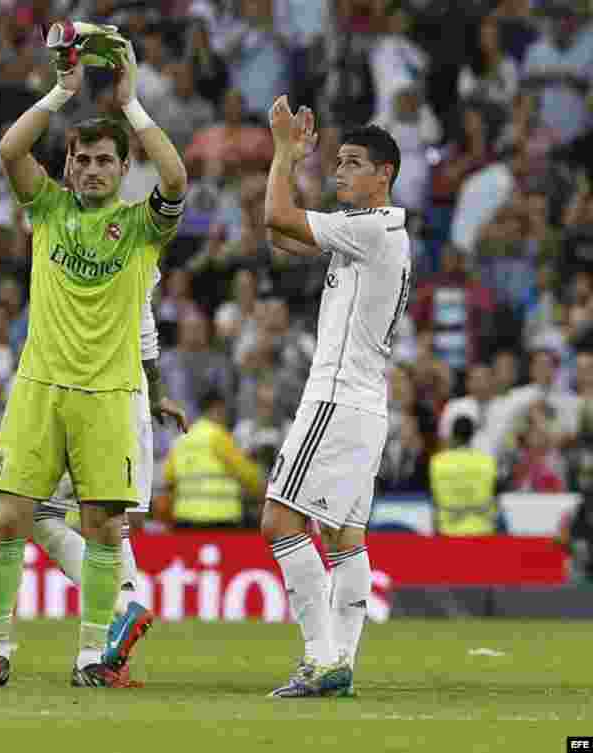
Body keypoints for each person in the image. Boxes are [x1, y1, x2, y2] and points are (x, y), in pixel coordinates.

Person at [0, 34, 187, 689]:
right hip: (39, 387)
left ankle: (91, 656)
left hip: (109, 394)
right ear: (69, 165)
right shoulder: (49, 208)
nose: (91, 169)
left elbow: (175, 178)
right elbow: (9, 149)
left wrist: (132, 105)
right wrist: (60, 92)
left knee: (101, 527)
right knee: (10, 518)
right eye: (82, 159)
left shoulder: (144, 227)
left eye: (103, 161)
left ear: (122, 170)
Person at [261, 97, 411, 698]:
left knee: (278, 519)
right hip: (365, 406)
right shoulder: (371, 236)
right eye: (338, 162)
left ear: (385, 175)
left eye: (353, 164)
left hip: (335, 398)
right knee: (346, 538)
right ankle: (340, 662)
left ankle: (321, 659)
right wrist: (292, 170)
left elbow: (277, 214)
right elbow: (280, 236)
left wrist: (280, 153)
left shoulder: (372, 229)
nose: (339, 172)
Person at [31, 249, 188, 677]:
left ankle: (122, 607)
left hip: (90, 393)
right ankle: (112, 636)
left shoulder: (71, 240)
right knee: (110, 526)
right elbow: (146, 324)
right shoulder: (137, 241)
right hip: (130, 395)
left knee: (39, 514)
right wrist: (156, 393)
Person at [164, 389, 262, 528]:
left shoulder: (182, 438)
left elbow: (168, 477)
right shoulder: (218, 436)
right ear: (217, 407)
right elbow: (245, 473)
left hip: (184, 519)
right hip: (220, 518)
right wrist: (262, 491)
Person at [429, 416, 499, 536]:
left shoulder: (438, 462)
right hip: (481, 529)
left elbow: (433, 497)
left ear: (453, 435)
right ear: (472, 435)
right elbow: (495, 494)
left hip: (449, 530)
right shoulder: (487, 462)